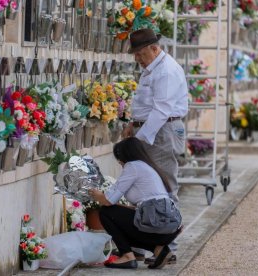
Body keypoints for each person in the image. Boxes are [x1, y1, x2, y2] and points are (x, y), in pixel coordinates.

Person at [121, 28, 188, 263]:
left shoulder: (166, 71)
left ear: (154, 48)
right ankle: (143, 242)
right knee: (141, 184)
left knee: (165, 185)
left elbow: (162, 110)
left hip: (162, 132)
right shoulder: (152, 68)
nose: (137, 58)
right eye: (135, 55)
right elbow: (146, 103)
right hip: (149, 129)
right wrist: (133, 123)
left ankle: (169, 246)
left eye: (140, 53)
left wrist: (140, 138)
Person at [89, 137, 183, 270]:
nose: (120, 163)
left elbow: (109, 200)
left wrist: (97, 194)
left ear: (124, 156)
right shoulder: (148, 167)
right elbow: (142, 206)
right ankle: (159, 251)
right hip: (169, 226)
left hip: (157, 223)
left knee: (105, 212)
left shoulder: (132, 166)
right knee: (117, 215)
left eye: (119, 159)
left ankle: (127, 256)